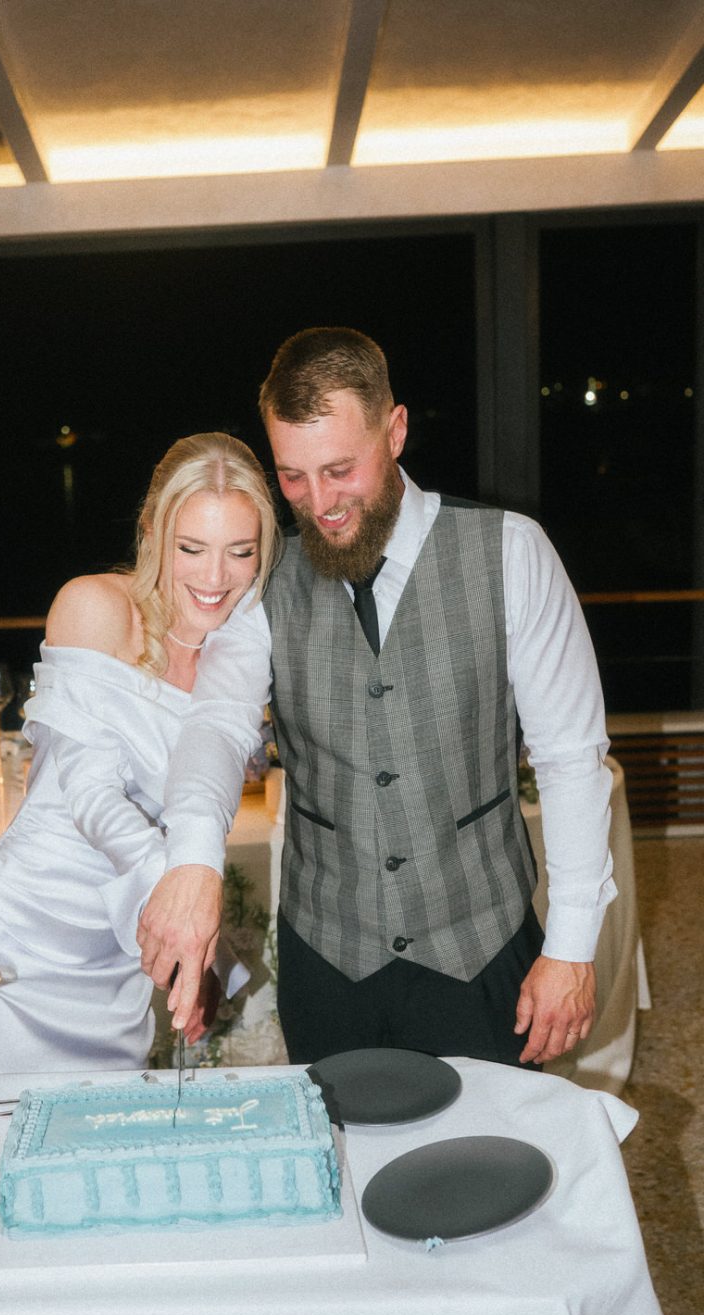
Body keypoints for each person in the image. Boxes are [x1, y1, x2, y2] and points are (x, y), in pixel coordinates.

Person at [138, 327, 616, 1068]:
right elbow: (218, 722)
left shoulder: (512, 553)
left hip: (482, 950)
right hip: (326, 962)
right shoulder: (269, 582)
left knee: (492, 1169)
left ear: (394, 432)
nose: (319, 502)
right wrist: (194, 861)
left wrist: (573, 948)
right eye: (293, 477)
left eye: (338, 469)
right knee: (343, 1169)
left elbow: (570, 758)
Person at [0, 432, 278, 1072]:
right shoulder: (94, 606)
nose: (214, 577)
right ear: (151, 532)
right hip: (18, 951)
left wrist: (190, 949)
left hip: (117, 963)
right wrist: (185, 919)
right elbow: (93, 799)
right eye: (191, 548)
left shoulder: (240, 645)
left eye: (240, 552)